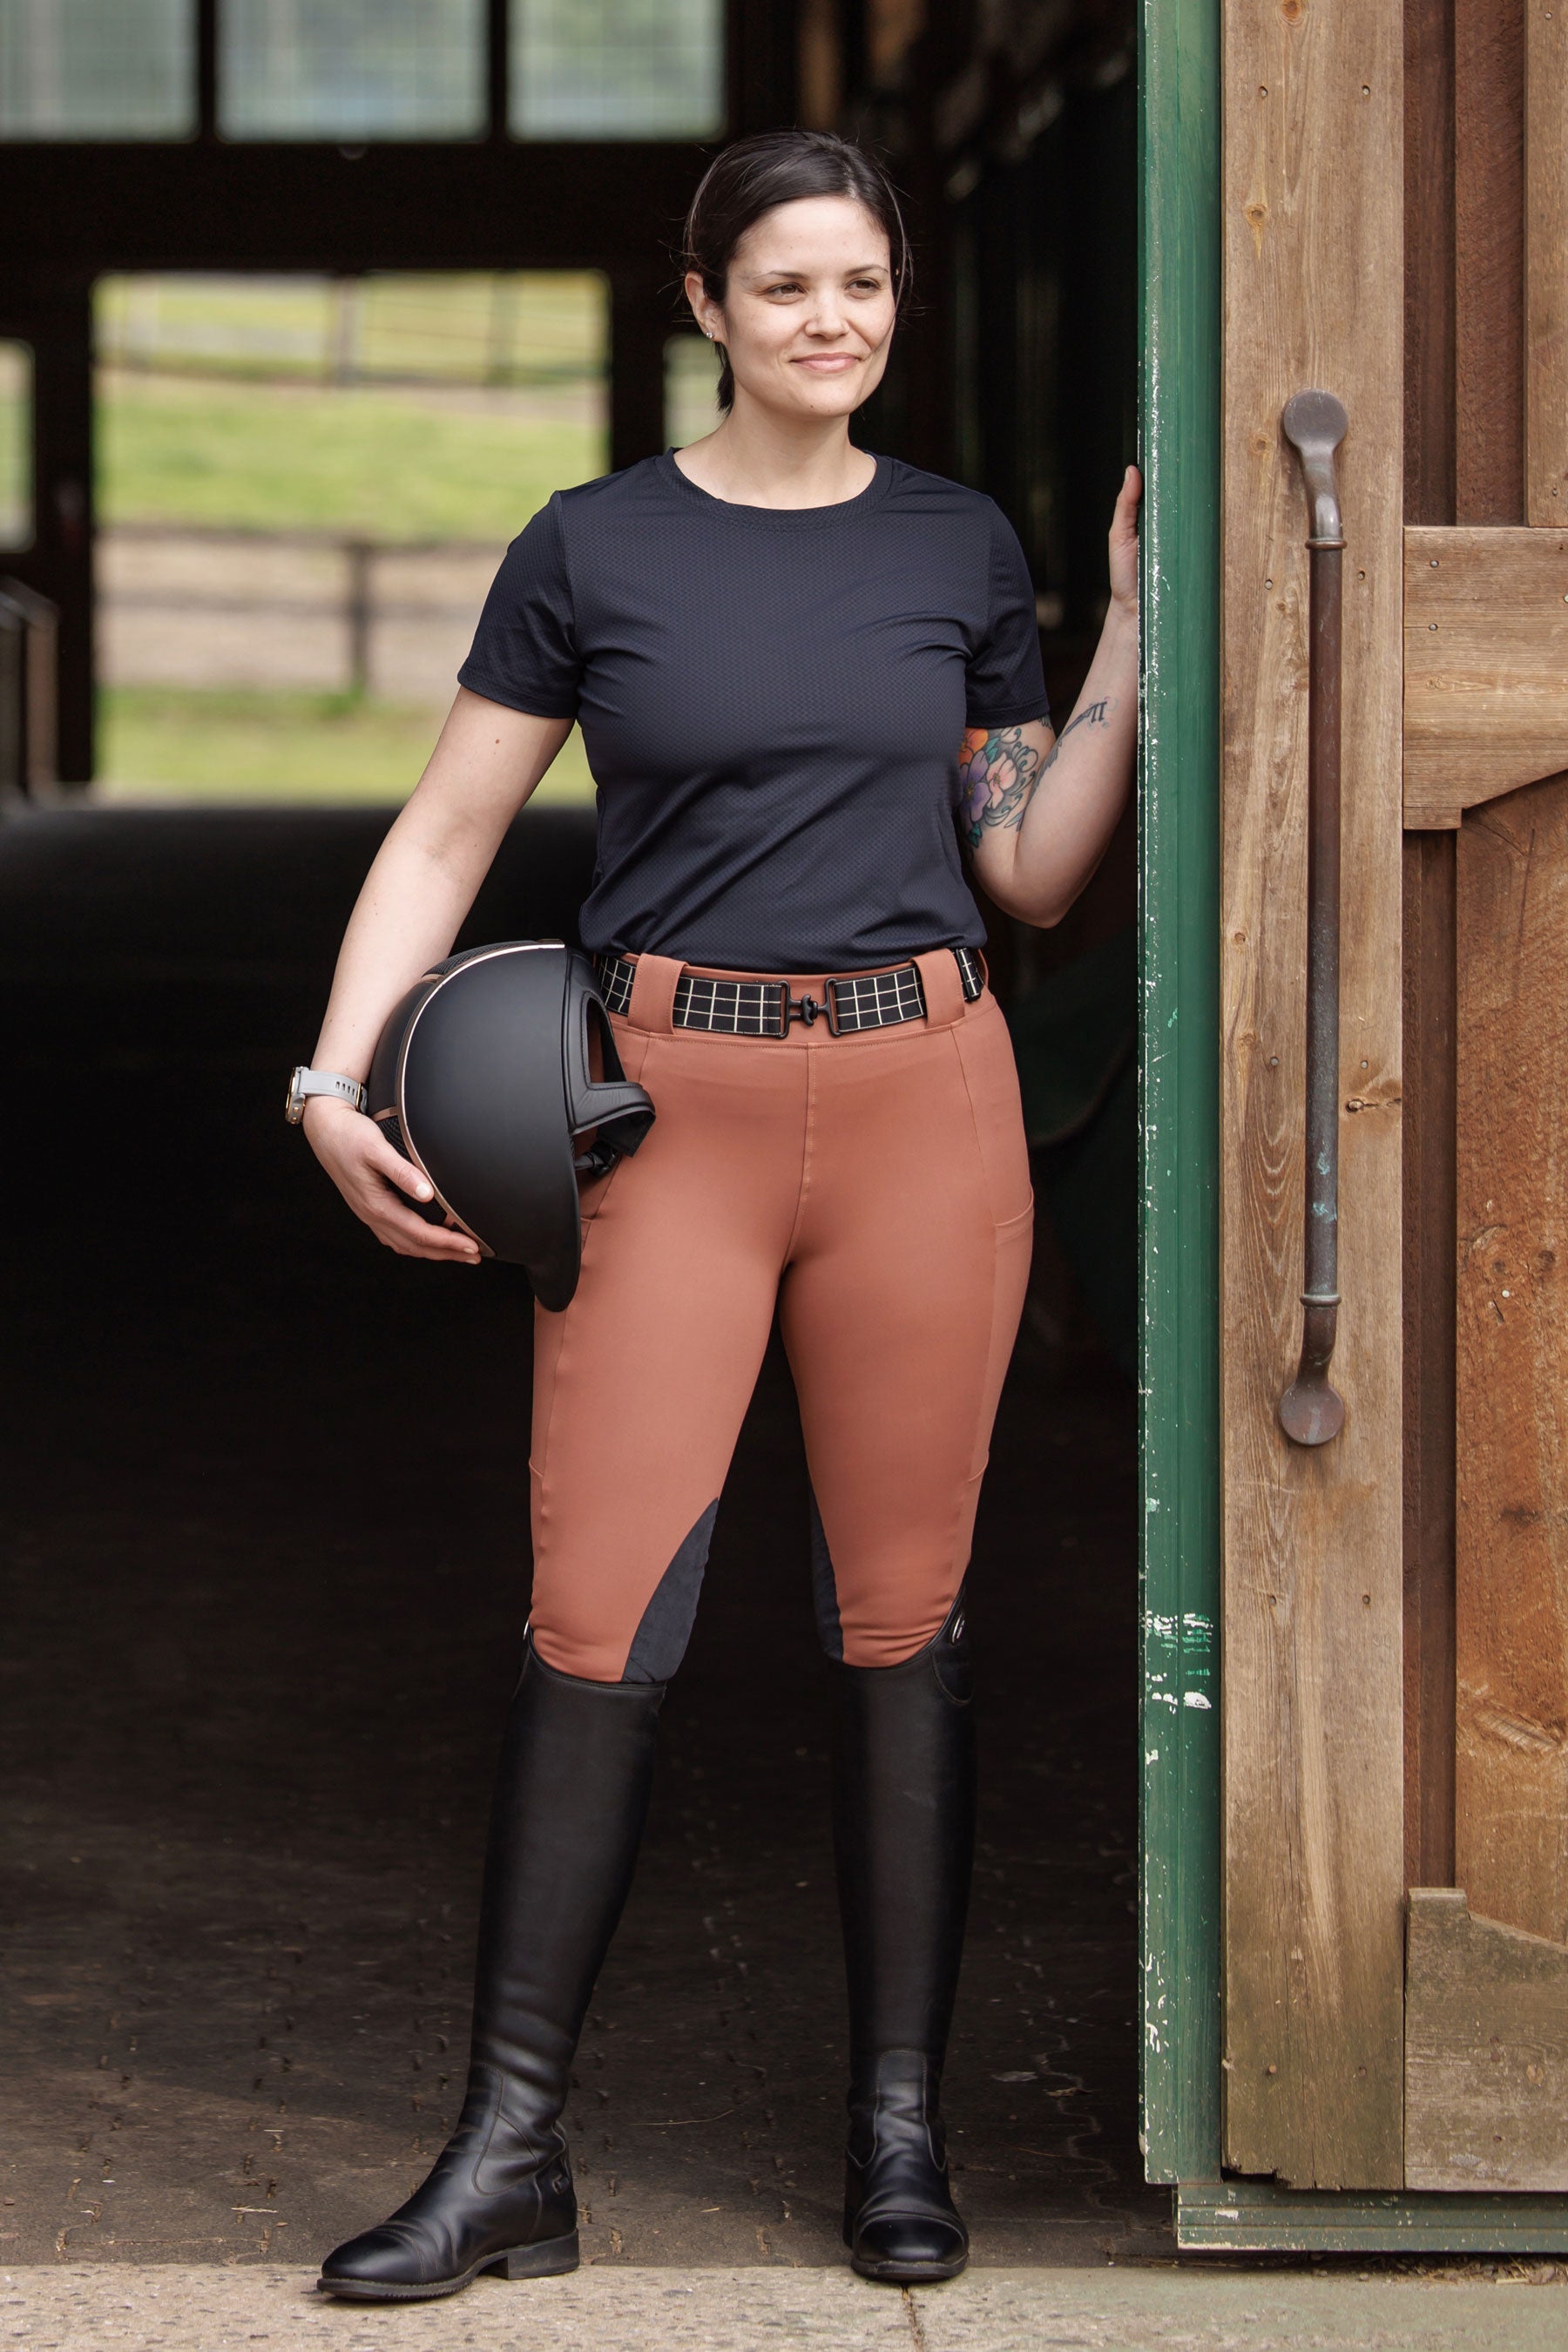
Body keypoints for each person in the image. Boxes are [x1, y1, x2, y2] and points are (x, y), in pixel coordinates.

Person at [300, 128, 1140, 2303]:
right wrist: (330, 1077)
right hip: (662, 1113)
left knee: (904, 1619)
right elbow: (445, 832)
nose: (833, 322)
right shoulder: (596, 548)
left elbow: (1028, 869)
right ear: (709, 302)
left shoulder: (960, 545)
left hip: (921, 1103)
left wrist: (1128, 638)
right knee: (595, 1614)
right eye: (788, 287)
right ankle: (507, 2153)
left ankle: (896, 2143)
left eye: (865, 285)